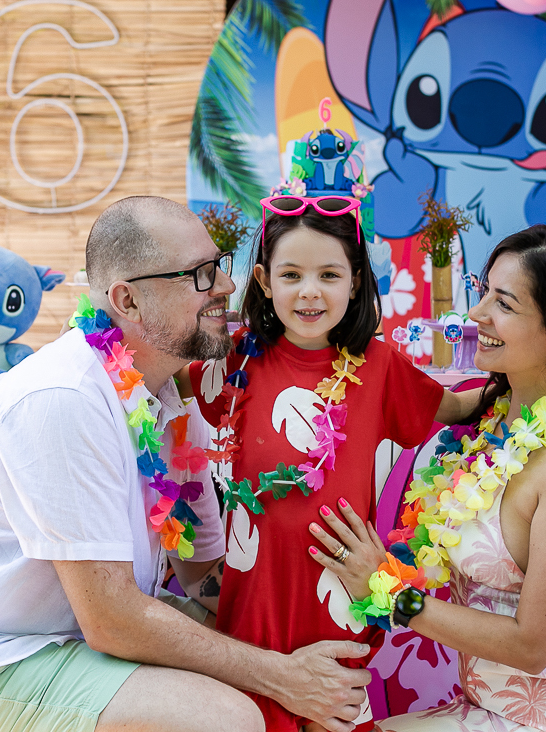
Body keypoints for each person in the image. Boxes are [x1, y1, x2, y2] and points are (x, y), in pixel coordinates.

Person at [0, 196, 372, 732]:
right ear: (127, 300)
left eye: (220, 265)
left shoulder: (168, 399)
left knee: (274, 662)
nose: (226, 286)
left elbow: (201, 575)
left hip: (65, 638)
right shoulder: (63, 399)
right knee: (226, 718)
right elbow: (112, 620)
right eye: (199, 275)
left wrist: (329, 602)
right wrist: (281, 676)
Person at [306, 225, 546, 732]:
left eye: (503, 303)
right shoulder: (496, 418)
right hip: (484, 707)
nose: (476, 314)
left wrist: (389, 589)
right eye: (484, 292)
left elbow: (532, 646)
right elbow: (407, 390)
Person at [185, 198, 483, 732]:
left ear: (355, 281)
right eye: (291, 275)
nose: (309, 291)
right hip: (254, 610)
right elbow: (158, 380)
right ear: (264, 280)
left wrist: (530, 389)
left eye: (328, 275)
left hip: (337, 604)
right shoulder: (235, 358)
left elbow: (456, 408)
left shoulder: (380, 366)